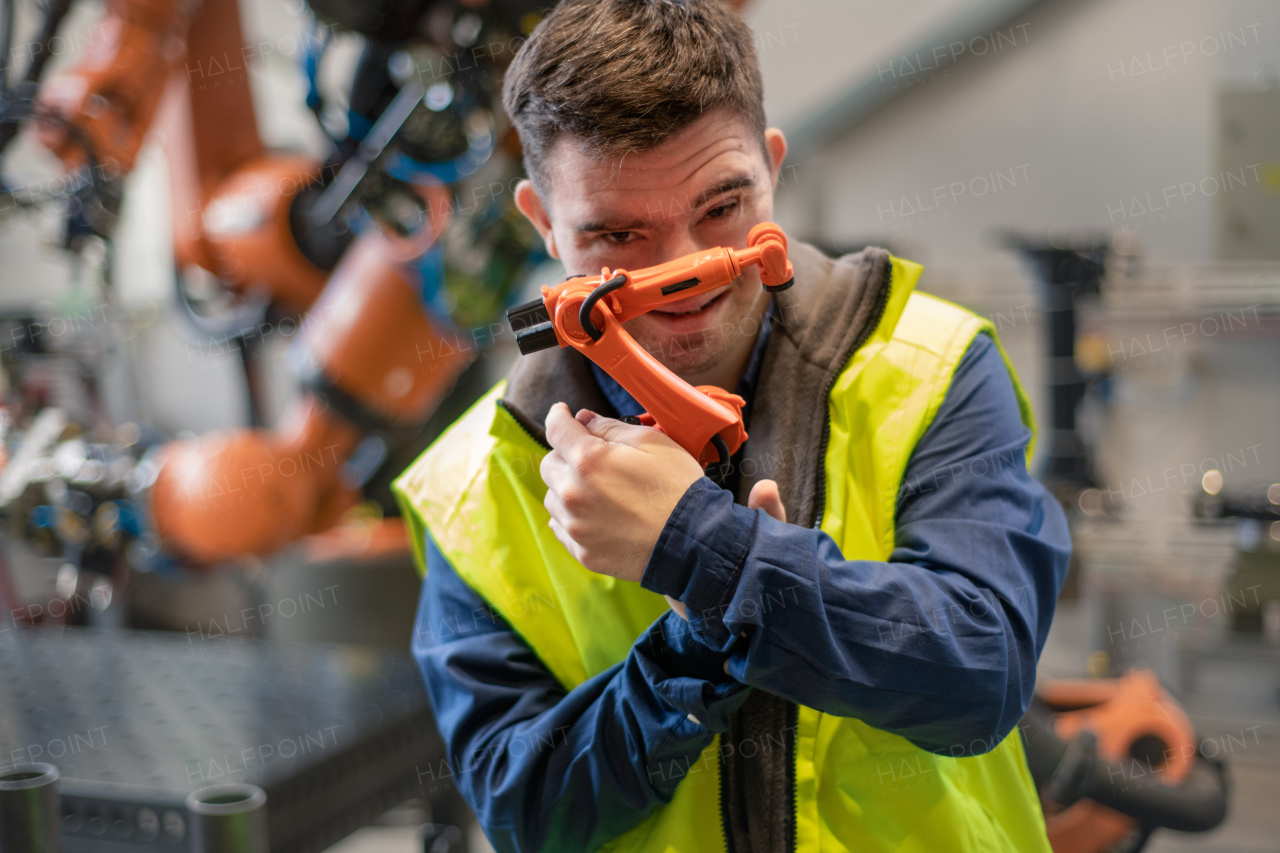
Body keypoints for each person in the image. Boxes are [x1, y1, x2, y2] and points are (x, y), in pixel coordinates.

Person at [392, 1, 1072, 851]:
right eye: (615, 233)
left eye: (721, 207)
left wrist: (702, 549)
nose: (681, 273)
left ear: (772, 166)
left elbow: (982, 675)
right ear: (540, 221)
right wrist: (685, 652)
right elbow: (528, 808)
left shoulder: (930, 367)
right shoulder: (475, 480)